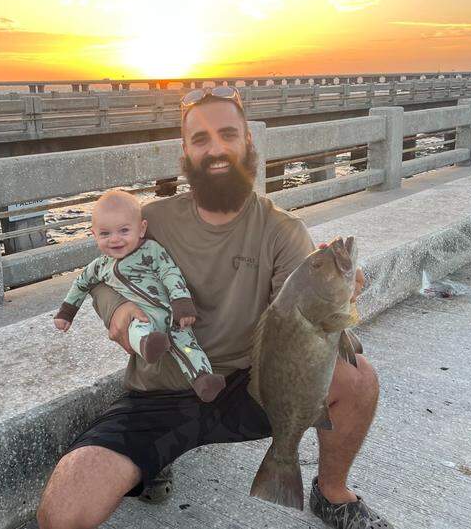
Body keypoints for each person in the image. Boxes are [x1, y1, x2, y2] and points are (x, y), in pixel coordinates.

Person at [36, 86, 391, 529]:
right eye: (201, 139)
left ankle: (332, 494)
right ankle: (155, 458)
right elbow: (104, 273)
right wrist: (118, 311)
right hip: (161, 390)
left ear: (248, 143)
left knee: (358, 376)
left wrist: (339, 295)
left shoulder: (282, 230)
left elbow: (298, 319)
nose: (216, 148)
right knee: (63, 513)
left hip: (250, 384)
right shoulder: (153, 220)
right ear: (184, 152)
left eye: (228, 134)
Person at [53, 189, 226, 402]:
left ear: (141, 228)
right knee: (136, 327)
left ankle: (203, 379)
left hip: (172, 315)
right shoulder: (99, 266)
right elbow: (81, 284)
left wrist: (182, 302)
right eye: (105, 234)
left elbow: (170, 272)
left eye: (124, 231)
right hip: (143, 317)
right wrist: (67, 312)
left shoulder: (151, 250)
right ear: (94, 234)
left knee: (189, 347)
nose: (115, 240)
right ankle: (148, 345)